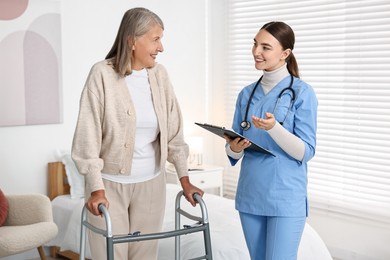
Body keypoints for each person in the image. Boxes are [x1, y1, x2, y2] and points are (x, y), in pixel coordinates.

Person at [71, 7, 203, 260]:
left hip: (152, 184)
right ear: (132, 40)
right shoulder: (101, 74)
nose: (161, 47)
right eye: (155, 39)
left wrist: (184, 179)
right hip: (109, 187)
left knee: (145, 256)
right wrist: (96, 189)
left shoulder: (160, 76)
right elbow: (87, 138)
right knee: (109, 255)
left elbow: (174, 133)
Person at [224, 21, 318, 260]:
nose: (257, 52)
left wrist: (274, 128)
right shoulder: (246, 94)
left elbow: (306, 151)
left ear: (285, 53)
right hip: (251, 193)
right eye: (255, 44)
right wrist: (234, 148)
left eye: (266, 47)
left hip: (285, 195)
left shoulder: (302, 92)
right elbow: (234, 145)